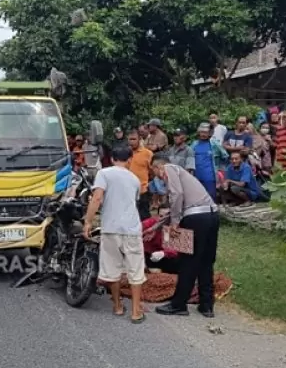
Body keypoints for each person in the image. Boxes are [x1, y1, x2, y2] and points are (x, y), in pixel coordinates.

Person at [83, 144, 147, 324]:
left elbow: (97, 198)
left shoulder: (104, 173)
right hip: (132, 229)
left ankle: (117, 306)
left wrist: (88, 221)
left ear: (111, 159)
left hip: (110, 228)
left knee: (113, 269)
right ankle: (135, 312)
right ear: (129, 160)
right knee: (135, 270)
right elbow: (132, 203)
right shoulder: (134, 179)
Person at [151, 156, 220, 318]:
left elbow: (177, 195)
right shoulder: (183, 175)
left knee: (188, 261)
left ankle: (179, 304)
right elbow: (176, 204)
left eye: (154, 172)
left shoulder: (169, 168)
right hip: (212, 214)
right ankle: (206, 305)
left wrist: (174, 223)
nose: (158, 177)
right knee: (206, 261)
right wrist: (156, 227)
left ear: (157, 167)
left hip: (194, 218)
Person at [126, 128, 154, 219]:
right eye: (130, 139)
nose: (131, 142)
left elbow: (153, 171)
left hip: (143, 190)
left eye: (134, 139)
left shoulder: (148, 153)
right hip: (128, 190)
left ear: (140, 139)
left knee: (144, 217)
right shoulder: (125, 153)